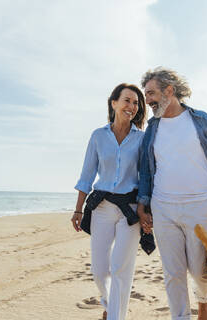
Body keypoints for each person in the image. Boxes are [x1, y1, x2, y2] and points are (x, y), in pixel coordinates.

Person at [136, 67, 207, 320]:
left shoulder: (201, 120)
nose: (148, 101)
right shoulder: (152, 129)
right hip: (163, 207)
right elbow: (146, 169)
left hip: (200, 205)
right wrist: (143, 204)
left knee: (200, 270)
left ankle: (203, 301)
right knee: (173, 272)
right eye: (146, 95)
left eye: (152, 93)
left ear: (170, 90)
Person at [71, 83, 147, 320]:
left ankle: (115, 316)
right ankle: (108, 304)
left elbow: (146, 177)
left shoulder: (142, 139)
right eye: (127, 100)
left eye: (136, 103)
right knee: (99, 270)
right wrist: (78, 210)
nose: (132, 106)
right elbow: (87, 175)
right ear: (113, 103)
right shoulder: (98, 136)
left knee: (121, 269)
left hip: (130, 210)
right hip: (102, 208)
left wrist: (146, 209)